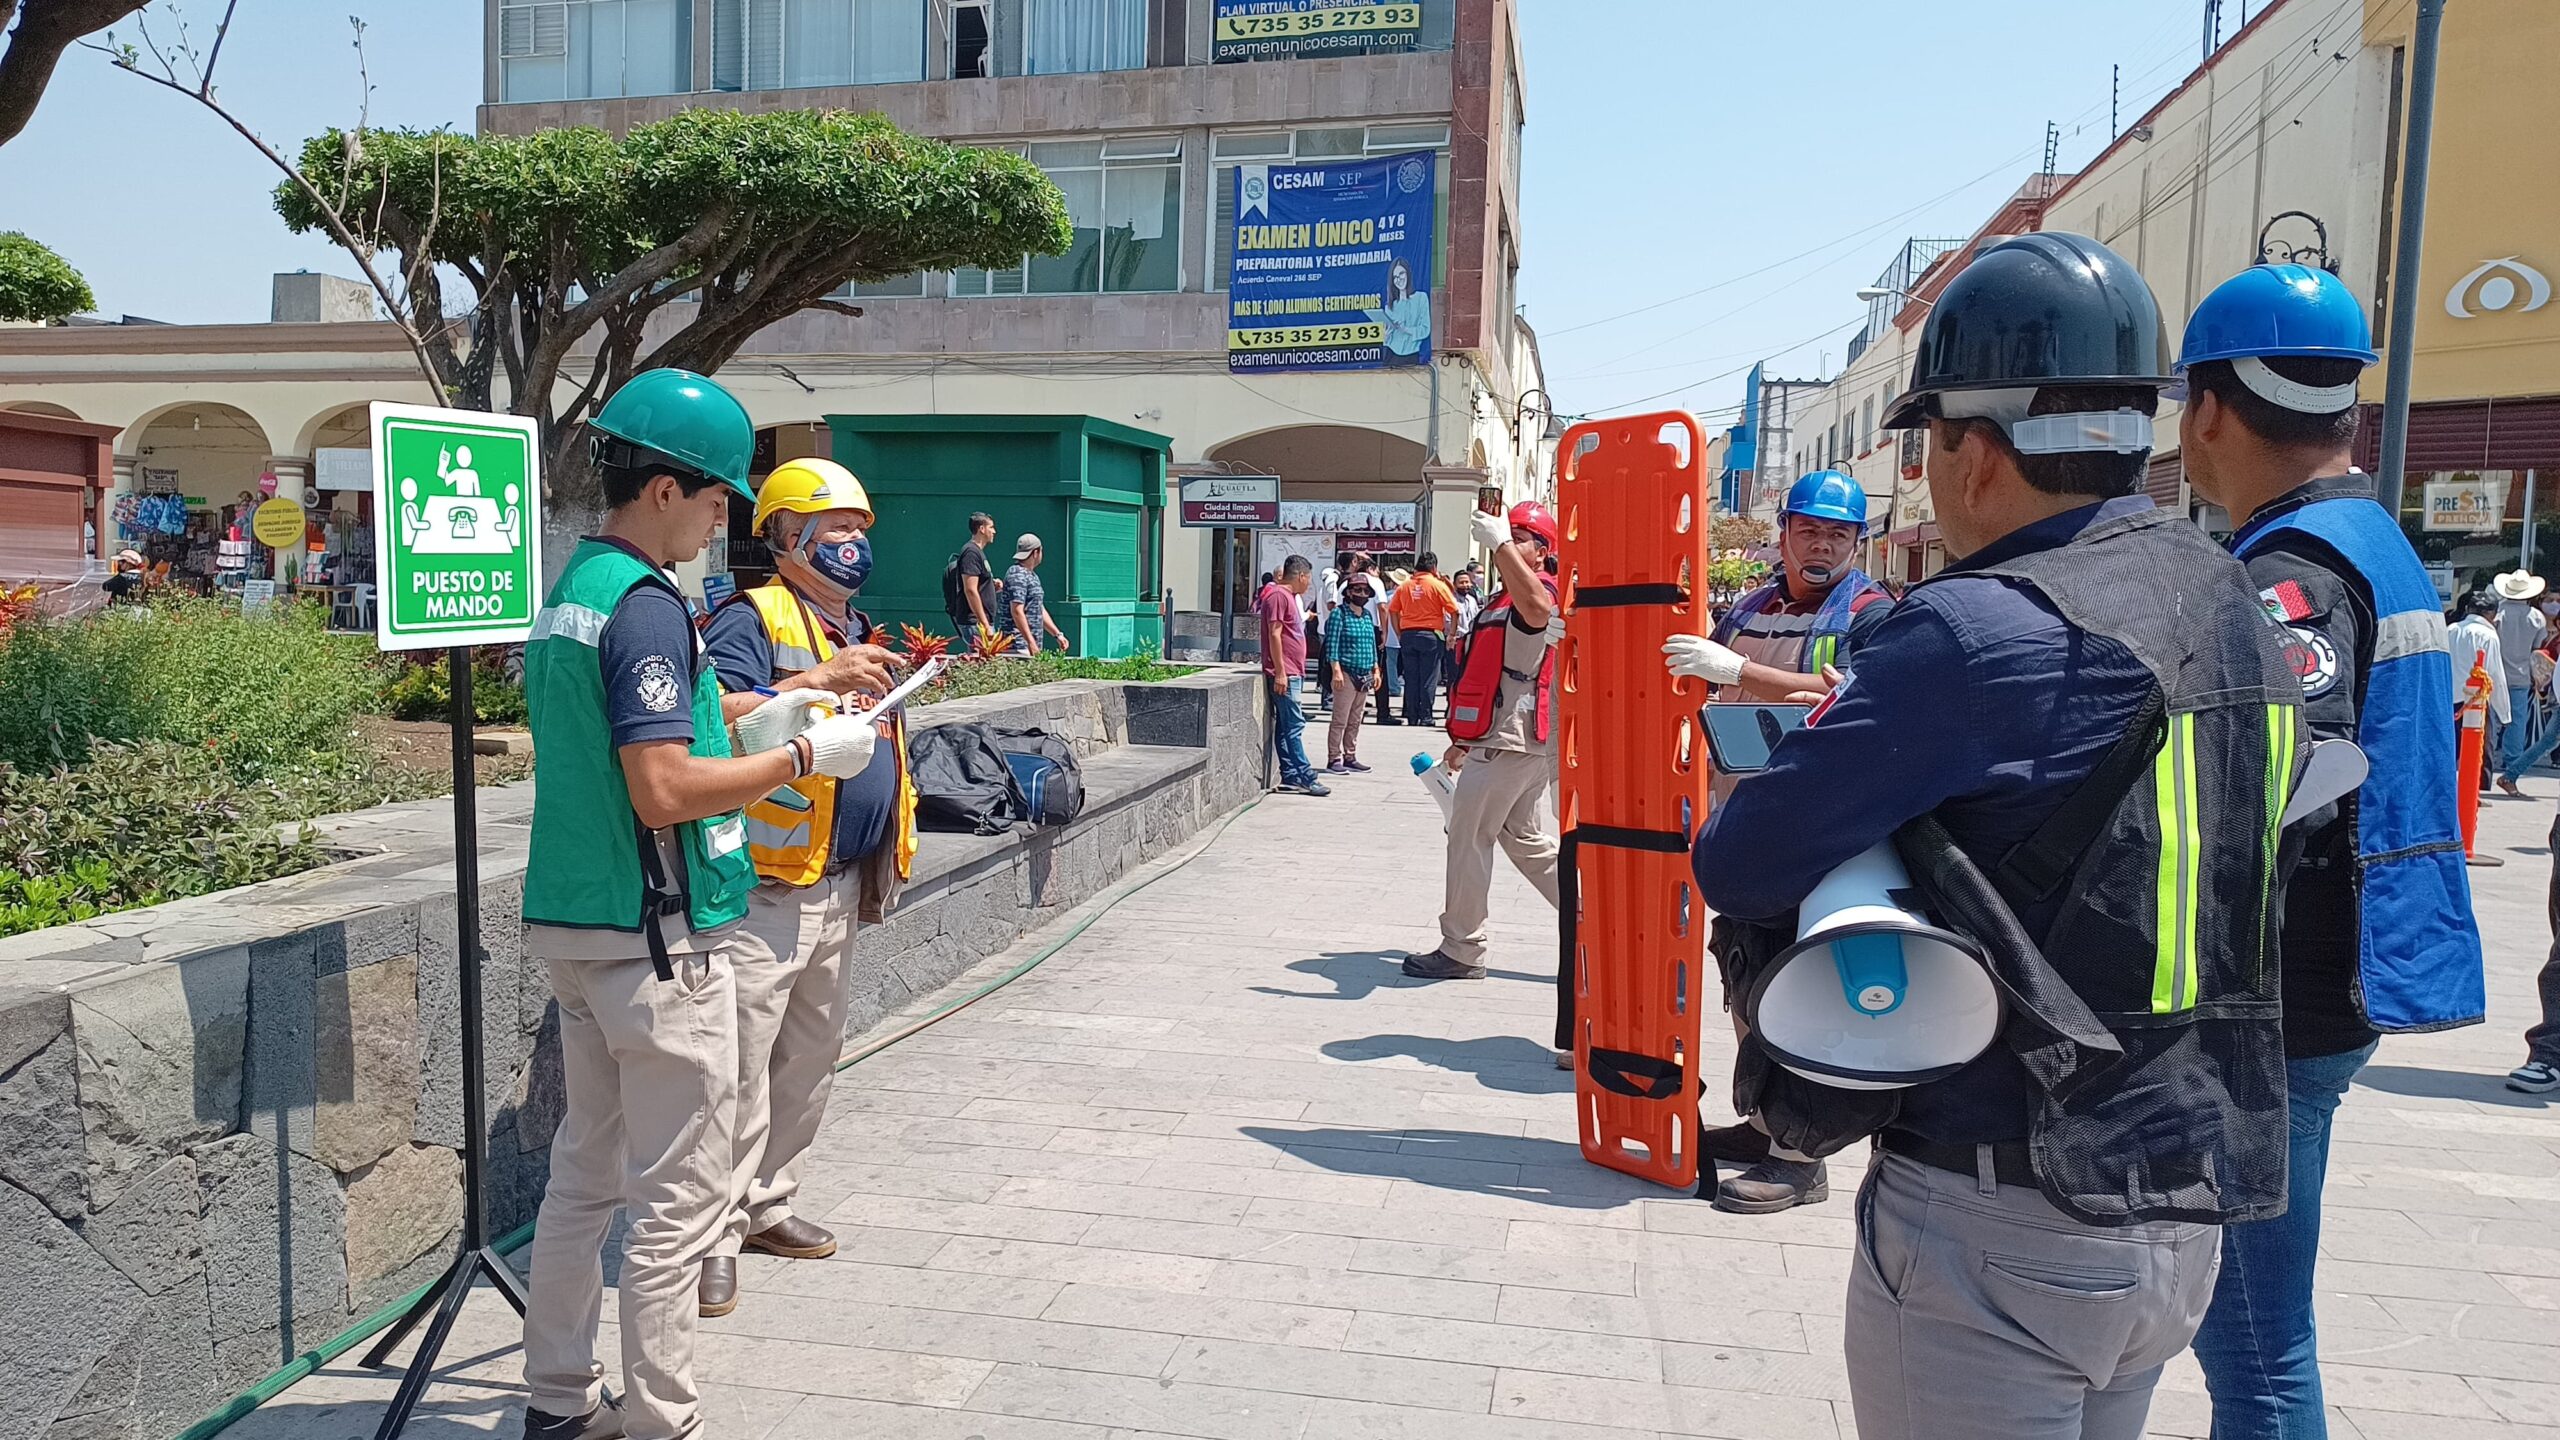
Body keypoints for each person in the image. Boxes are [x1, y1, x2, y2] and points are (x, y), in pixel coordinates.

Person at [1692, 234, 2300, 1440]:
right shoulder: (2224, 593)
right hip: (2181, 1200)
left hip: (2001, 1211)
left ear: (1970, 450)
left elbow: (1741, 861)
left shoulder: (1974, 629)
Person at [518, 369, 885, 1440]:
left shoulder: (581, 591)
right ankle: (662, 1422)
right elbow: (665, 785)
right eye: (720, 498)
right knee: (674, 1204)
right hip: (658, 938)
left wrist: (780, 702)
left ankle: (554, 1403)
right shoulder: (642, 605)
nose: (726, 519)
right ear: (667, 489)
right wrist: (805, 756)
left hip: (582, 923)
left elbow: (665, 718)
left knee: (583, 1179)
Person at [2172, 262, 2488, 1439]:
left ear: (2209, 409)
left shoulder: (2288, 569)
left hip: (2282, 1002)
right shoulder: (2369, 538)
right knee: (2262, 1332)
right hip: (2344, 976)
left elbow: (2271, 782)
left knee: (2253, 1346)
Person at [695, 457, 917, 1320]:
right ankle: (711, 1240)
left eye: (861, 530)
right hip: (768, 887)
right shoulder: (752, 617)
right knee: (740, 1071)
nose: (853, 543)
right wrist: (808, 684)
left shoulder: (849, 622)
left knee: (809, 1063)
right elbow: (710, 713)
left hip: (839, 879)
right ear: (787, 538)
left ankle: (767, 1207)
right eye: (836, 530)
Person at [1660, 468, 1893, 1213]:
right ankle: (1766, 1124)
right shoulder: (1754, 605)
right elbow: (1692, 670)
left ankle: (1802, 1158)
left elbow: (1856, 698)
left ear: (1858, 541)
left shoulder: (1871, 611)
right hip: (1745, 822)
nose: (1822, 545)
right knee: (1744, 975)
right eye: (1810, 530)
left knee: (1803, 990)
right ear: (1784, 532)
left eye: (1838, 534)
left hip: (1819, 835)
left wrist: (1741, 670)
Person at [1401, 503, 1562, 980]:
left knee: (1469, 836)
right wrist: (1466, 742)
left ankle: (1462, 949)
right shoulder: (1507, 594)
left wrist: (1500, 544)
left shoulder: (1537, 590)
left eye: (1520, 536)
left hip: (1511, 738)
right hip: (1511, 736)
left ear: (1543, 550)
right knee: (1525, 839)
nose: (1506, 541)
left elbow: (1538, 610)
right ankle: (1594, 918)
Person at [1260, 555, 1329, 796]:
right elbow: (1275, 634)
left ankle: (1289, 774)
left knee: (1286, 725)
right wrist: (1280, 672)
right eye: (1308, 578)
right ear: (1301, 575)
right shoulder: (1279, 596)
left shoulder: (1289, 598)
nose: (1309, 584)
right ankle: (1305, 774)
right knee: (1295, 724)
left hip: (1292, 670)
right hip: (1285, 672)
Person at [1387, 554, 1461, 727]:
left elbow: (1393, 610)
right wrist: (1451, 634)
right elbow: (1454, 611)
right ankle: (1426, 716)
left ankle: (1412, 716)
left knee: (1411, 677)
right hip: (1431, 635)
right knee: (1429, 677)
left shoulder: (1404, 586)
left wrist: (1399, 632)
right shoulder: (1438, 585)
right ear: (1434, 568)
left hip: (1408, 634)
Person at [2492, 570, 2549, 794]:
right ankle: (2512, 760)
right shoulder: (2536, 617)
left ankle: (2488, 760)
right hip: (2522, 674)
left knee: (2493, 720)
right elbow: (2537, 649)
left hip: (2497, 673)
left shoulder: (2497, 615)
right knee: (2517, 721)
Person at [1325, 573, 1383, 773]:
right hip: (1346, 672)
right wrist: (1336, 671)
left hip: (1365, 672)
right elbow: (1331, 645)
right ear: (1348, 592)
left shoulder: (1367, 616)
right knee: (1340, 718)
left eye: (1365, 591)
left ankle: (1350, 755)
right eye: (1357, 589)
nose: (1361, 593)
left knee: (1356, 718)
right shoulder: (1338, 614)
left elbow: (1371, 645)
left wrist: (1376, 669)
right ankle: (1334, 758)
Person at [2452, 590, 2508, 794]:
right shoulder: (2488, 635)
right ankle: (2478, 788)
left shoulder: (2452, 629)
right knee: (2482, 746)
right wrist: (2504, 712)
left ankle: (2448, 785)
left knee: (2451, 746)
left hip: (2450, 697)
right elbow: (2495, 674)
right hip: (2477, 699)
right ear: (2492, 614)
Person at [1004, 534, 1071, 656]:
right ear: (1036, 552)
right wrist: (1030, 642)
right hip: (1017, 646)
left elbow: (1038, 608)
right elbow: (1017, 611)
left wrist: (1057, 634)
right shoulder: (1017, 574)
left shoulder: (1032, 576)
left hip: (1030, 647)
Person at [943, 511, 1001, 641]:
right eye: (991, 527)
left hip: (980, 623)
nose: (994, 531)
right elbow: (970, 590)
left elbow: (977, 585)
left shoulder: (976, 552)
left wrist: (991, 586)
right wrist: (985, 624)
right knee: (981, 660)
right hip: (975, 624)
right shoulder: (971, 553)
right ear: (981, 529)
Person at [1376, 570, 1406, 727]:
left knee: (1391, 664)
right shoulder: (1406, 594)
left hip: (1391, 635)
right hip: (1404, 633)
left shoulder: (1388, 596)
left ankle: (1394, 687)